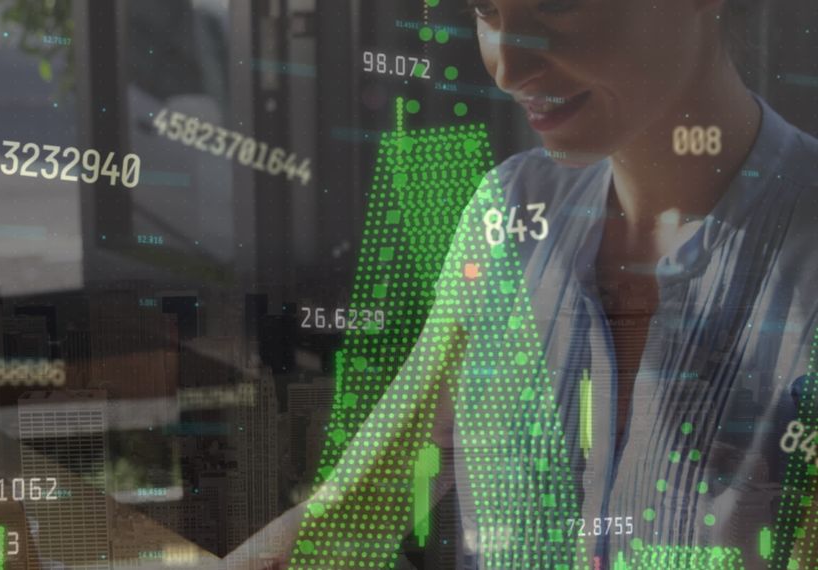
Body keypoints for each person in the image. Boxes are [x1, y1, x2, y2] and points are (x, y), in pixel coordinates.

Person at [225, 0, 818, 568]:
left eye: (557, 4)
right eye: (486, 9)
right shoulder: (510, 211)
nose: (508, 69)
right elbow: (360, 510)